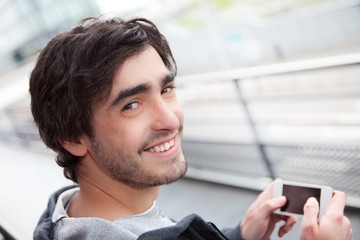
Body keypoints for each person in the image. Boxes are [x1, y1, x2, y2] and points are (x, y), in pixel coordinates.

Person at [29, 16, 352, 240]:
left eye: (166, 89)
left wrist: (241, 235)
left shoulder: (64, 213)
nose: (169, 119)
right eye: (131, 105)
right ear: (72, 137)